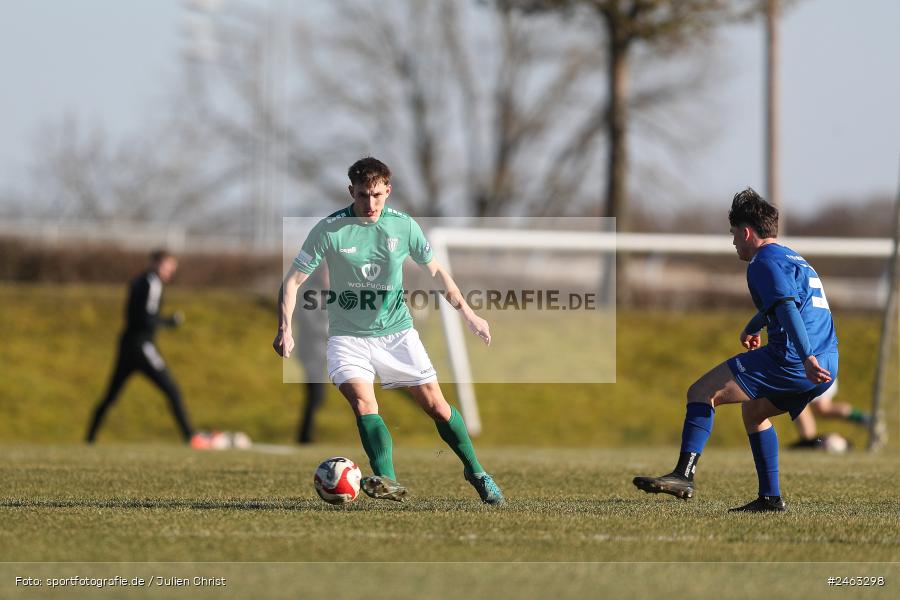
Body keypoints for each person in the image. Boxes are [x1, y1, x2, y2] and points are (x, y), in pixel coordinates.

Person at [273, 157, 504, 504]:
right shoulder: (329, 229)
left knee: (437, 407)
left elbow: (438, 274)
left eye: (377, 195)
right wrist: (284, 328)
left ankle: (476, 471)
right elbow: (292, 281)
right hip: (347, 338)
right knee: (365, 404)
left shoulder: (404, 226)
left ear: (388, 191)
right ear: (351, 191)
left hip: (397, 333)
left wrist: (469, 314)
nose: (370, 204)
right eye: (363, 195)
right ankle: (387, 481)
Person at [633, 188, 838, 512]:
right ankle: (770, 498)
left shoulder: (762, 264)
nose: (733, 243)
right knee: (755, 413)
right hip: (828, 362)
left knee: (701, 392)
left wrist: (805, 357)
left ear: (746, 232)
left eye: (733, 235)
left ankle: (683, 476)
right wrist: (755, 325)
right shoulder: (792, 258)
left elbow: (787, 310)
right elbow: (788, 301)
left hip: (795, 360)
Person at [86, 250, 196, 444]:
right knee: (172, 389)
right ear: (156, 263)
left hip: (127, 344)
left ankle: (89, 438)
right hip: (142, 345)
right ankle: (190, 437)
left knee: (111, 395)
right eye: (168, 266)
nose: (170, 271)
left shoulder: (138, 281)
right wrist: (171, 322)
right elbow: (147, 318)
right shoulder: (152, 284)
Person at [293, 265, 329, 444]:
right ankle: (304, 437)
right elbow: (310, 323)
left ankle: (306, 435)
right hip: (311, 352)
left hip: (323, 353)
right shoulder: (310, 292)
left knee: (318, 396)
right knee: (315, 395)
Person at [790, 378, 870, 449]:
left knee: (799, 402)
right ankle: (864, 418)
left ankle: (809, 443)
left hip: (809, 369)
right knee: (822, 408)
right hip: (824, 368)